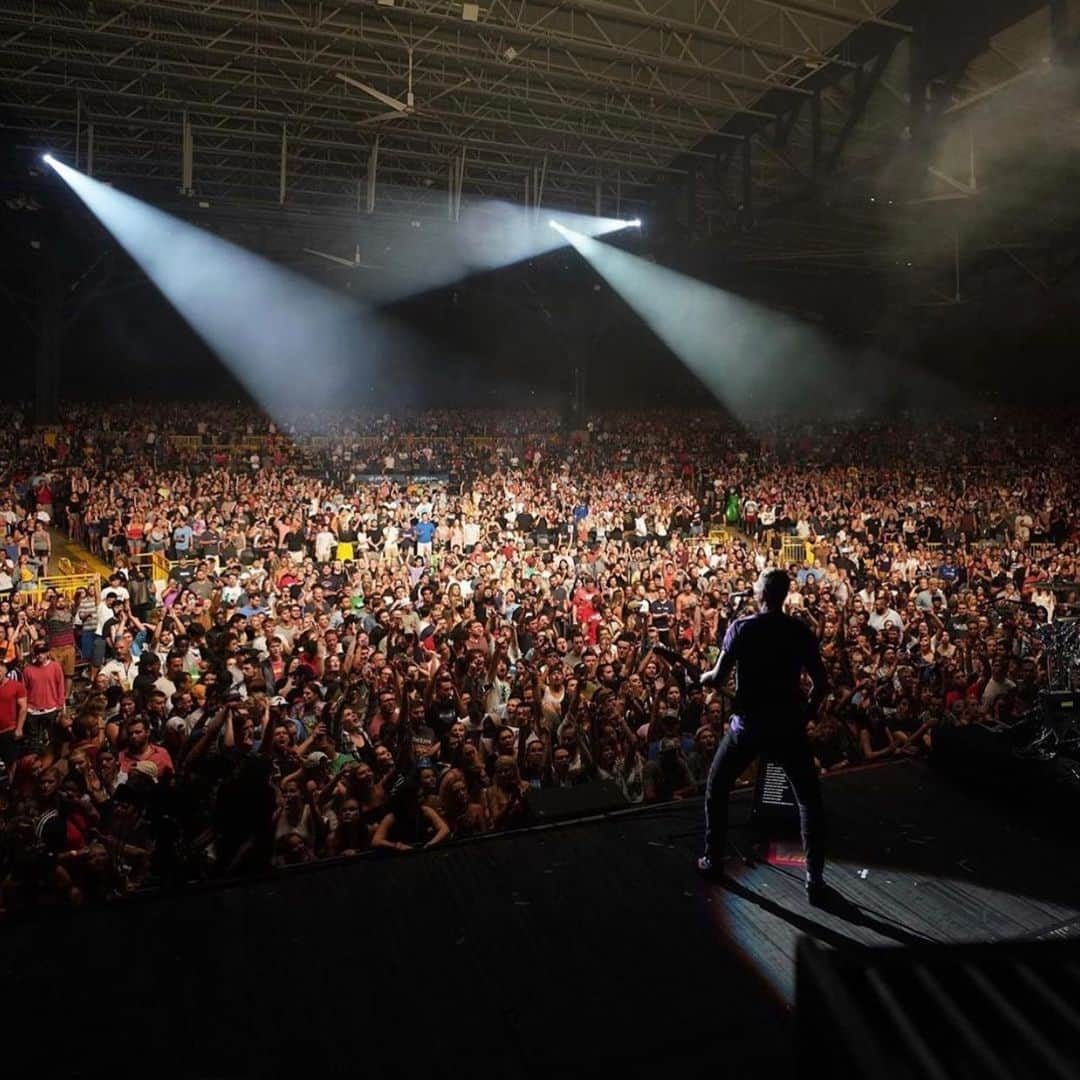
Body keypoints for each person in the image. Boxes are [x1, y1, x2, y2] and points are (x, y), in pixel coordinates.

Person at [698, 569, 830, 903]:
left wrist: (705, 677)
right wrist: (807, 715)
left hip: (749, 726)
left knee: (717, 787)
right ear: (784, 595)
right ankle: (815, 878)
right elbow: (822, 684)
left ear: (761, 592)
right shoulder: (799, 630)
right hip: (788, 725)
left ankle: (713, 859)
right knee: (809, 801)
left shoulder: (743, 627)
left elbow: (718, 676)